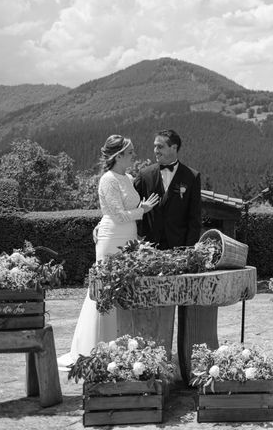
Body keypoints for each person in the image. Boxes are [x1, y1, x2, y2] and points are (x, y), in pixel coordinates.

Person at [57, 135, 159, 368]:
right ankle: (96, 345)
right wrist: (142, 210)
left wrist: (141, 212)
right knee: (105, 287)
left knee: (124, 286)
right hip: (112, 237)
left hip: (129, 237)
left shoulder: (128, 178)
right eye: (130, 151)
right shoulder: (108, 180)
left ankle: (122, 343)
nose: (134, 154)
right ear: (119, 155)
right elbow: (117, 214)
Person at [133, 129, 202, 250]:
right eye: (155, 147)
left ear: (174, 148)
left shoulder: (192, 176)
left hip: (179, 247)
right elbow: (130, 206)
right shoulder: (144, 175)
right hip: (148, 247)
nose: (156, 151)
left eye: (160, 147)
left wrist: (190, 249)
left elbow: (194, 217)